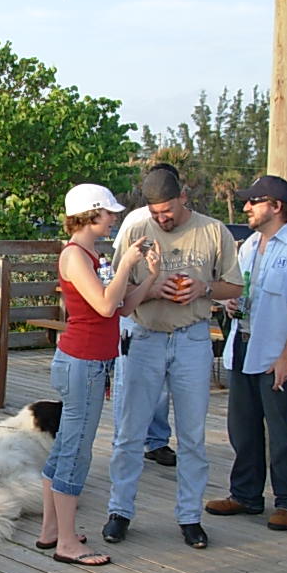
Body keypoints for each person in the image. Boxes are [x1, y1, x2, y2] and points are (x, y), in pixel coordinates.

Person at [103, 167, 242, 549]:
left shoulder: (214, 231)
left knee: (193, 435)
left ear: (183, 196)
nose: (161, 218)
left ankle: (189, 517)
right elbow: (118, 288)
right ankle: (119, 511)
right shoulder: (136, 230)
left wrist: (204, 288)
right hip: (143, 337)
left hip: (192, 340)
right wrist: (152, 288)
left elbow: (235, 284)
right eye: (154, 212)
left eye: (166, 210)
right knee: (129, 433)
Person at [35, 184, 159, 566]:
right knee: (75, 450)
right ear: (90, 215)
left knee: (64, 448)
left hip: (89, 362)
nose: (114, 218)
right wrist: (125, 267)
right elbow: (106, 306)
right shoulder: (75, 255)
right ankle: (68, 543)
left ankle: (52, 530)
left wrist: (149, 279)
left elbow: (120, 309)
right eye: (109, 213)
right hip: (82, 363)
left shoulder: (89, 254)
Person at [204, 176, 287, 532]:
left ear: (276, 205)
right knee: (242, 426)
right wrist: (229, 303)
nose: (246, 208)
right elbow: (241, 290)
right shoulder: (250, 245)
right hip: (244, 343)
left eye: (253, 202)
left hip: (277, 352)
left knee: (281, 431)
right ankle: (245, 495)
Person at [111, 163, 180, 468]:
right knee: (129, 380)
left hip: (171, 317)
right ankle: (124, 440)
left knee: (161, 382)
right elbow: (120, 267)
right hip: (137, 315)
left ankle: (156, 440)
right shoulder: (137, 221)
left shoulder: (192, 224)